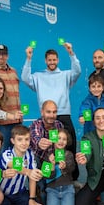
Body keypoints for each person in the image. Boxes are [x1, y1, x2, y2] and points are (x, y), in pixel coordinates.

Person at [21, 43, 81, 177]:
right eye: (49, 60)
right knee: (48, 150)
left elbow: (77, 71)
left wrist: (71, 53)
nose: (52, 62)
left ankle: (71, 178)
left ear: (58, 60)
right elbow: (25, 78)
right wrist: (28, 58)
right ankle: (48, 179)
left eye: (54, 60)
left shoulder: (65, 75)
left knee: (69, 148)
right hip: (47, 118)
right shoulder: (38, 76)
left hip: (63, 116)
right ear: (45, 61)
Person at [0, 125, 46, 205]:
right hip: (3, 194)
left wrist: (32, 199)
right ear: (13, 141)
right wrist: (28, 171)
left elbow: (32, 177)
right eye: (20, 140)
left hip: (20, 193)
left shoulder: (30, 154)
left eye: (27, 139)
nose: (24, 143)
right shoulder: (7, 154)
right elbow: (13, 165)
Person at [29, 100, 64, 203]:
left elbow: (61, 145)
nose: (52, 115)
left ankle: (50, 186)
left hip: (51, 159)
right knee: (43, 196)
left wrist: (59, 158)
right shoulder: (36, 124)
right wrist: (40, 142)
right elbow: (35, 137)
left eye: (54, 112)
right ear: (42, 112)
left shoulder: (59, 125)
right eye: (48, 112)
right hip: (38, 160)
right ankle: (38, 189)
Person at [45, 129, 76, 205]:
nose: (61, 141)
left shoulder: (69, 154)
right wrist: (52, 165)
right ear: (53, 140)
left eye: (64, 139)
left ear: (67, 142)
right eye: (58, 138)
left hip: (67, 188)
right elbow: (47, 175)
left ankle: (73, 193)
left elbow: (72, 168)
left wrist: (65, 166)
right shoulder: (48, 156)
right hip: (52, 189)